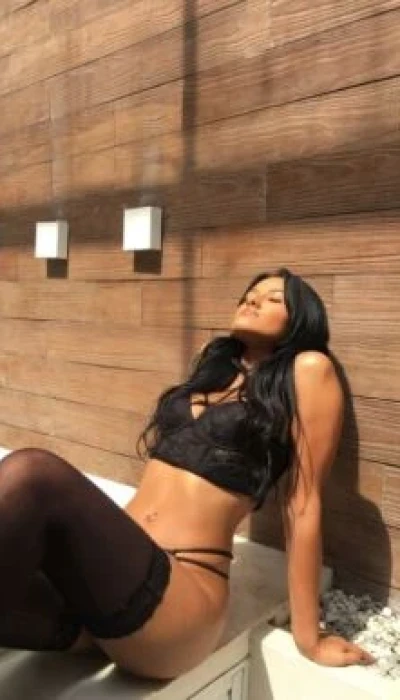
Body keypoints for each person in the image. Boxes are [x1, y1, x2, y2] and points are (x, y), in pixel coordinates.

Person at [0, 267, 376, 680]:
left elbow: (303, 505)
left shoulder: (308, 369)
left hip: (177, 601)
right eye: (249, 294)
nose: (252, 300)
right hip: (104, 587)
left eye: (273, 299)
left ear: (301, 319)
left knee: (33, 474)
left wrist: (310, 639)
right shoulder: (215, 367)